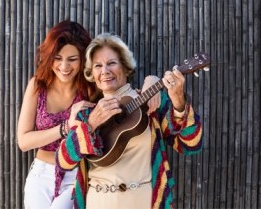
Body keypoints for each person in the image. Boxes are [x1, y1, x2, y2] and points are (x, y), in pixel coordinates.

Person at [17, 21, 161, 209]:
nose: (64, 66)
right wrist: (66, 127)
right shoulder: (38, 86)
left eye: (72, 59)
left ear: (84, 60)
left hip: (75, 173)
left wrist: (153, 80)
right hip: (41, 172)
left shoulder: (91, 90)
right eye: (58, 58)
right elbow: (24, 141)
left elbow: (121, 95)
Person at [55, 33, 203, 209]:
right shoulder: (86, 113)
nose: (105, 71)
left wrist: (178, 101)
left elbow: (191, 145)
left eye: (111, 63)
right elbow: (63, 161)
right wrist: (91, 124)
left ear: (125, 67)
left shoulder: (152, 101)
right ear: (92, 74)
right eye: (98, 66)